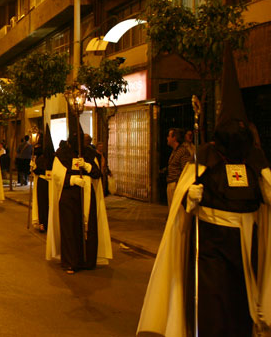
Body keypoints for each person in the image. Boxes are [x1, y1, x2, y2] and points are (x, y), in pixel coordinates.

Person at [137, 49, 271, 336]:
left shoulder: (254, 157)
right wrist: (190, 197)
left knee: (241, 299)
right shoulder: (205, 156)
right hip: (211, 243)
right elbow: (184, 202)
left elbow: (267, 190)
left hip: (247, 241)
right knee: (213, 297)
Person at [47, 110, 112, 274]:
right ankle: (71, 262)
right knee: (70, 229)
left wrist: (88, 166)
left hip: (87, 194)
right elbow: (56, 175)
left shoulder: (89, 153)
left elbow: (97, 173)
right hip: (68, 196)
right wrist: (71, 180)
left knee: (87, 228)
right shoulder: (62, 154)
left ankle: (87, 260)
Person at [31, 125, 53, 233]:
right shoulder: (41, 158)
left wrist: (34, 168)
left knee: (47, 204)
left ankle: (46, 223)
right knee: (43, 204)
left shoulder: (52, 158)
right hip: (43, 182)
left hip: (48, 182)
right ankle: (43, 223)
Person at [165, 128, 192, 207]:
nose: (167, 138)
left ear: (174, 138)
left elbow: (185, 169)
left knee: (177, 211)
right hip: (171, 183)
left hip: (176, 185)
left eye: (169, 136)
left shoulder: (182, 151)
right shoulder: (175, 151)